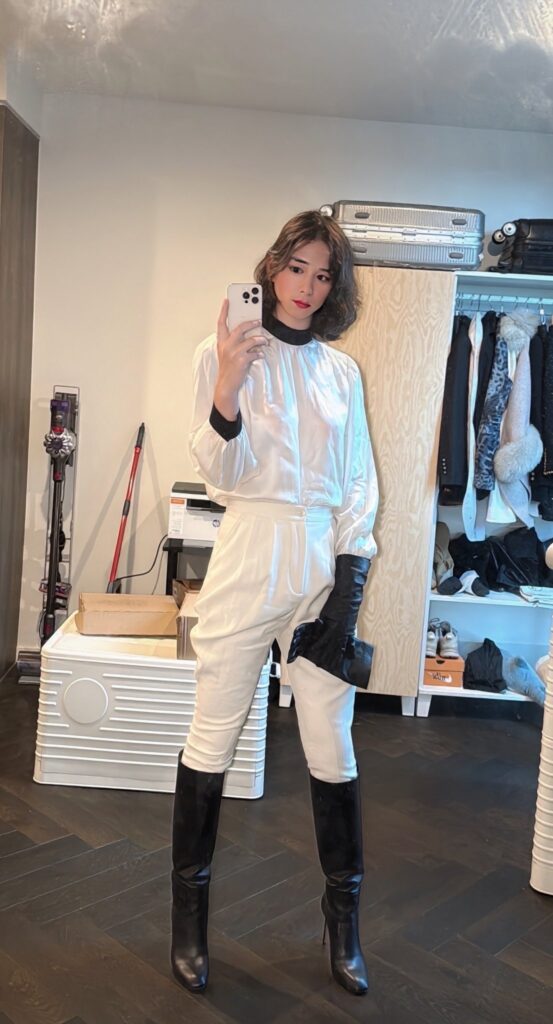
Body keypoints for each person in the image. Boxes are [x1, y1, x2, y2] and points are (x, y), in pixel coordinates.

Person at [171, 210, 379, 997]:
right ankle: (188, 919)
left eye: (323, 275)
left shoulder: (341, 372)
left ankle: (342, 921)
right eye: (296, 268)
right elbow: (219, 473)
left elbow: (357, 484)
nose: (307, 287)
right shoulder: (220, 350)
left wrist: (348, 590)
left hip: (322, 560)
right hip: (249, 549)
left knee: (331, 741)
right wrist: (228, 380)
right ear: (271, 267)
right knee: (214, 732)